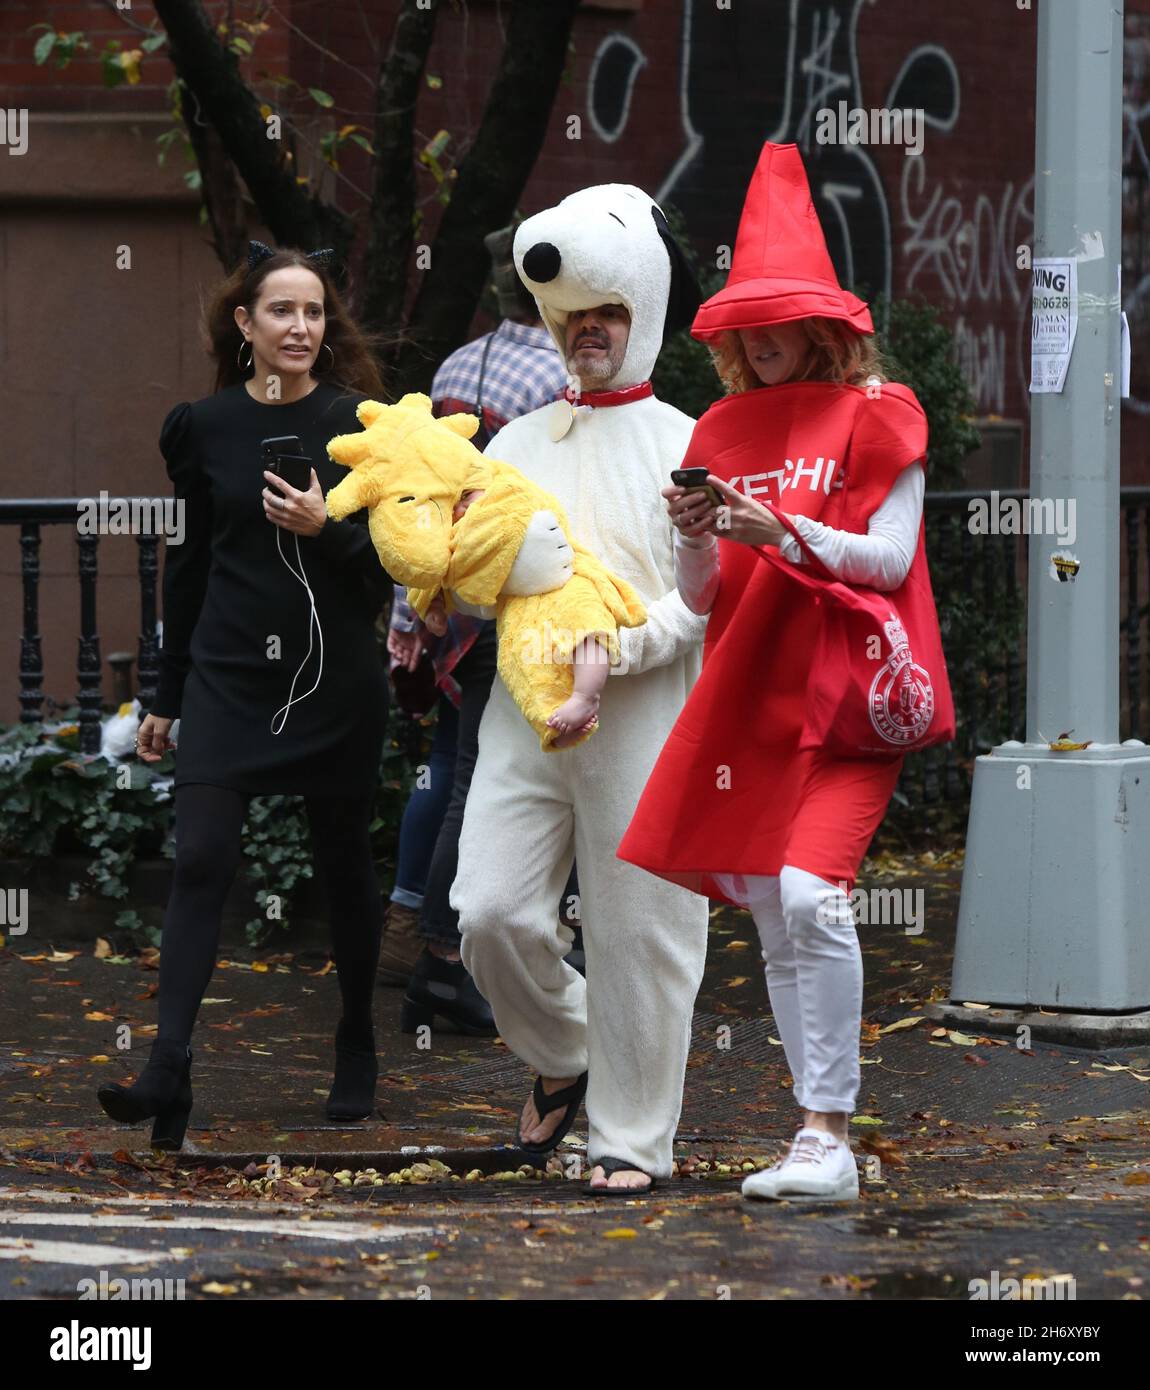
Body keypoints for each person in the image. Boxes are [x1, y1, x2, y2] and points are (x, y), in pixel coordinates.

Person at [617, 142, 939, 1202]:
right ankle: (814, 1137)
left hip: (846, 704)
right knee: (774, 912)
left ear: (824, 325)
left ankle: (829, 1131)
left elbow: (888, 565)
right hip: (750, 698)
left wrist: (781, 525)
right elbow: (704, 593)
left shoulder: (881, 411)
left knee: (809, 898)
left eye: (776, 324)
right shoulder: (716, 425)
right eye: (739, 329)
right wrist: (699, 532)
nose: (756, 344)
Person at [97, 242, 392, 1148]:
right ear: (245, 325)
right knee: (200, 860)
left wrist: (324, 530)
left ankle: (355, 1038)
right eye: (281, 312)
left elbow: (392, 571)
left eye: (312, 312)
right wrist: (164, 693)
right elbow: (187, 567)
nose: (300, 327)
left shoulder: (363, 428)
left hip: (332, 677)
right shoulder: (202, 426)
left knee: (344, 868)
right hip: (227, 678)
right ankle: (168, 1068)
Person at [450, 184, 711, 1193]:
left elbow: (701, 608)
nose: (585, 333)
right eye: (570, 319)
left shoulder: (688, 443)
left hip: (645, 722)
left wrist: (614, 651)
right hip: (525, 720)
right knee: (488, 912)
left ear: (639, 314)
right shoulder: (512, 443)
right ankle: (569, 1049)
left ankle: (632, 1140)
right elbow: (470, 574)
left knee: (642, 933)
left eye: (603, 315)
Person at [382, 223, 578, 1030]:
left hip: (450, 604)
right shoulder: (563, 379)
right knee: (482, 776)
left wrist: (409, 612)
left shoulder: (453, 366)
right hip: (518, 601)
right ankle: (444, 956)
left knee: (446, 765)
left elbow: (418, 495)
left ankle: (415, 929)